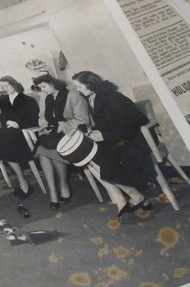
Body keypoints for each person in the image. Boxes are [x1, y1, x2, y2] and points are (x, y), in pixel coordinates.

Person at [71, 71, 155, 219]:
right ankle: (124, 199)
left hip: (132, 143)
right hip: (117, 141)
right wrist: (94, 132)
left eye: (79, 86)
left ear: (90, 84)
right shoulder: (95, 97)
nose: (77, 90)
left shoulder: (113, 98)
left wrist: (103, 135)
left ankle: (132, 197)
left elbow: (133, 125)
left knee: (94, 159)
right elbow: (108, 123)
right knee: (88, 158)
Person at [0, 76, 39, 199]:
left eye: (6, 86)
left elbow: (33, 119)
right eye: (2, 87)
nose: (4, 89)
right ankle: (22, 182)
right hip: (8, 133)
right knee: (5, 138)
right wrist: (8, 122)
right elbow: (3, 117)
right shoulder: (3, 99)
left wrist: (18, 124)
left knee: (3, 138)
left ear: (14, 85)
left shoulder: (28, 100)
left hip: (23, 134)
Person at [32, 74, 90, 210]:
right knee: (43, 150)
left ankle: (62, 186)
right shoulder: (44, 97)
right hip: (52, 133)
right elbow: (41, 116)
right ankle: (53, 190)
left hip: (72, 133)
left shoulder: (73, 95)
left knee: (48, 150)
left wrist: (61, 127)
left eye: (44, 86)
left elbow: (83, 120)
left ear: (53, 83)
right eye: (40, 88)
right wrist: (44, 126)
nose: (43, 90)